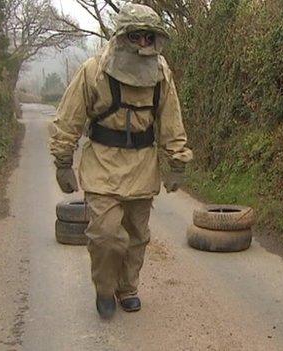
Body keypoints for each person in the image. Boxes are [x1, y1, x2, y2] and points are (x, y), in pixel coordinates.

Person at [49, 3, 192, 320]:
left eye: (149, 37)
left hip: (142, 164)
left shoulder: (160, 73)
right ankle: (104, 288)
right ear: (122, 36)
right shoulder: (94, 70)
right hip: (102, 164)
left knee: (137, 235)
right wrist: (62, 161)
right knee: (106, 235)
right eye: (136, 36)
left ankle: (128, 288)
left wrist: (177, 162)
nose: (143, 43)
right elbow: (69, 118)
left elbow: (171, 120)